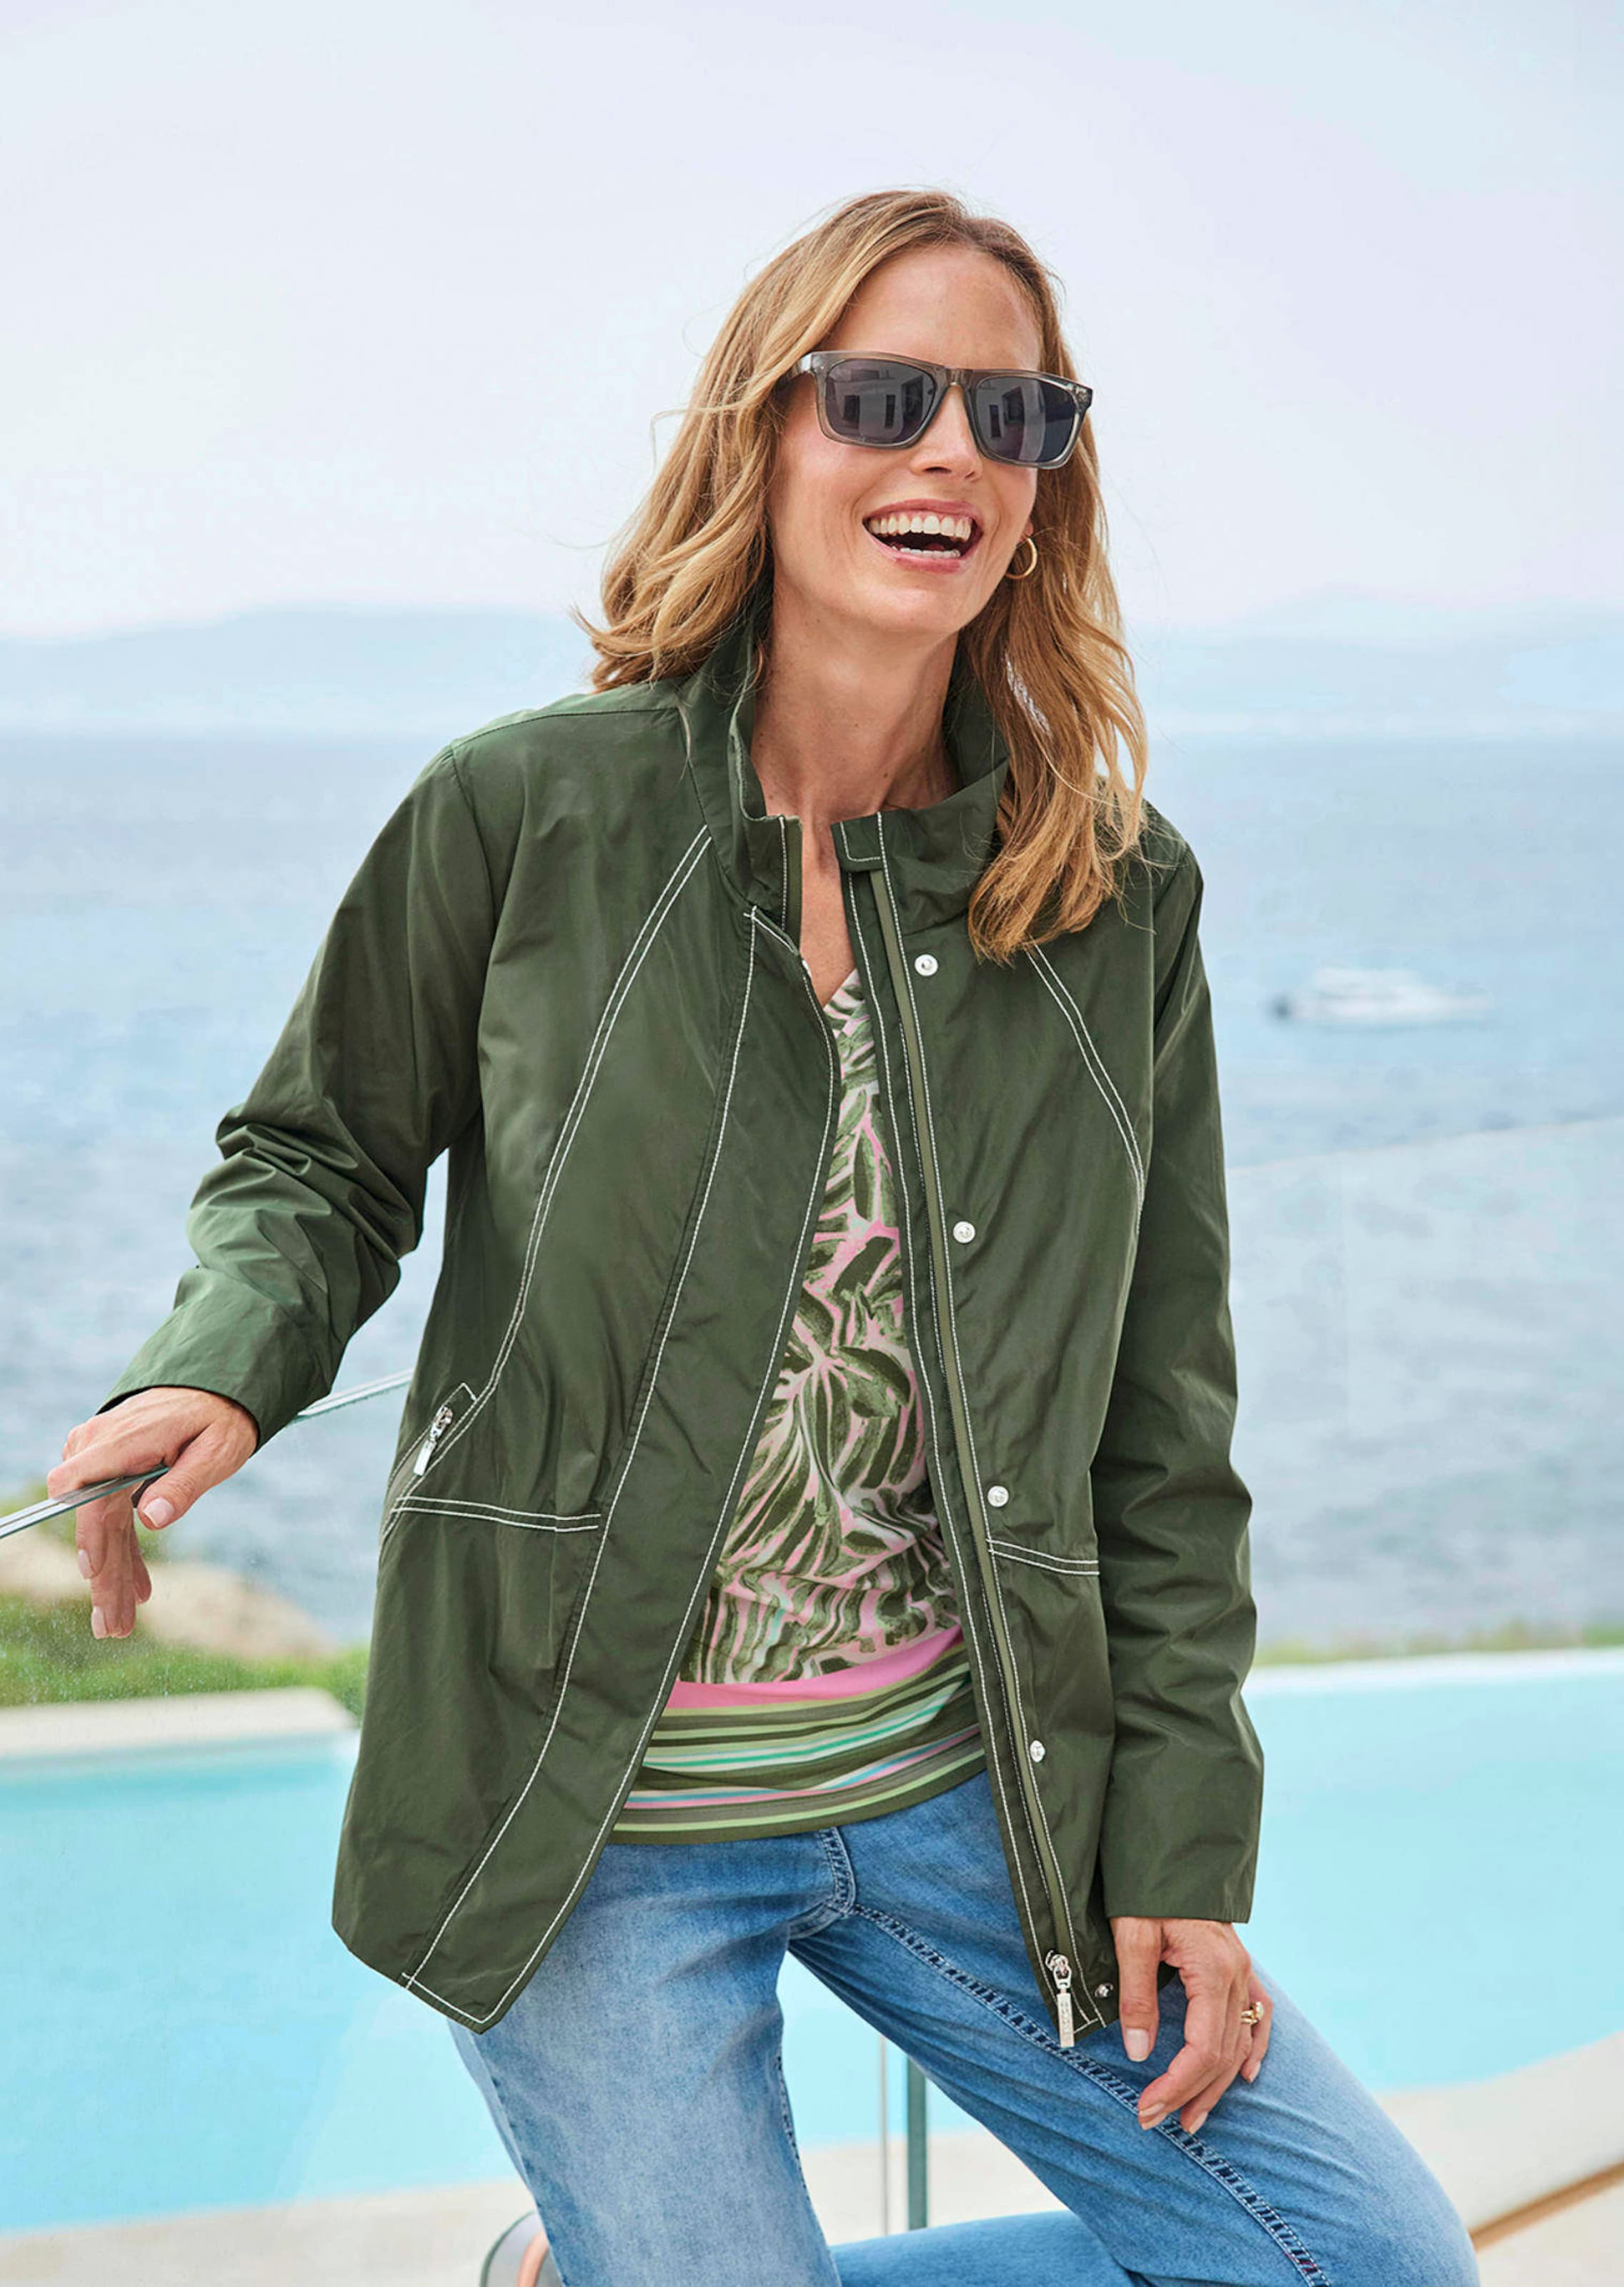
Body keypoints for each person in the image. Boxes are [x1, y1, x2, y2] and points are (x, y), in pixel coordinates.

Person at [49, 189, 1478, 2286]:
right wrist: (224, 1357)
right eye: (885, 397)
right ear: (765, 429)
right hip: (587, 1802)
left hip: (970, 1786)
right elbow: (319, 1155)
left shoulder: (1110, 895)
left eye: (1014, 414)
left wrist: (1179, 1838)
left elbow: (1161, 1418)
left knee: (1369, 2267)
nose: (952, 452)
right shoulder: (528, 809)